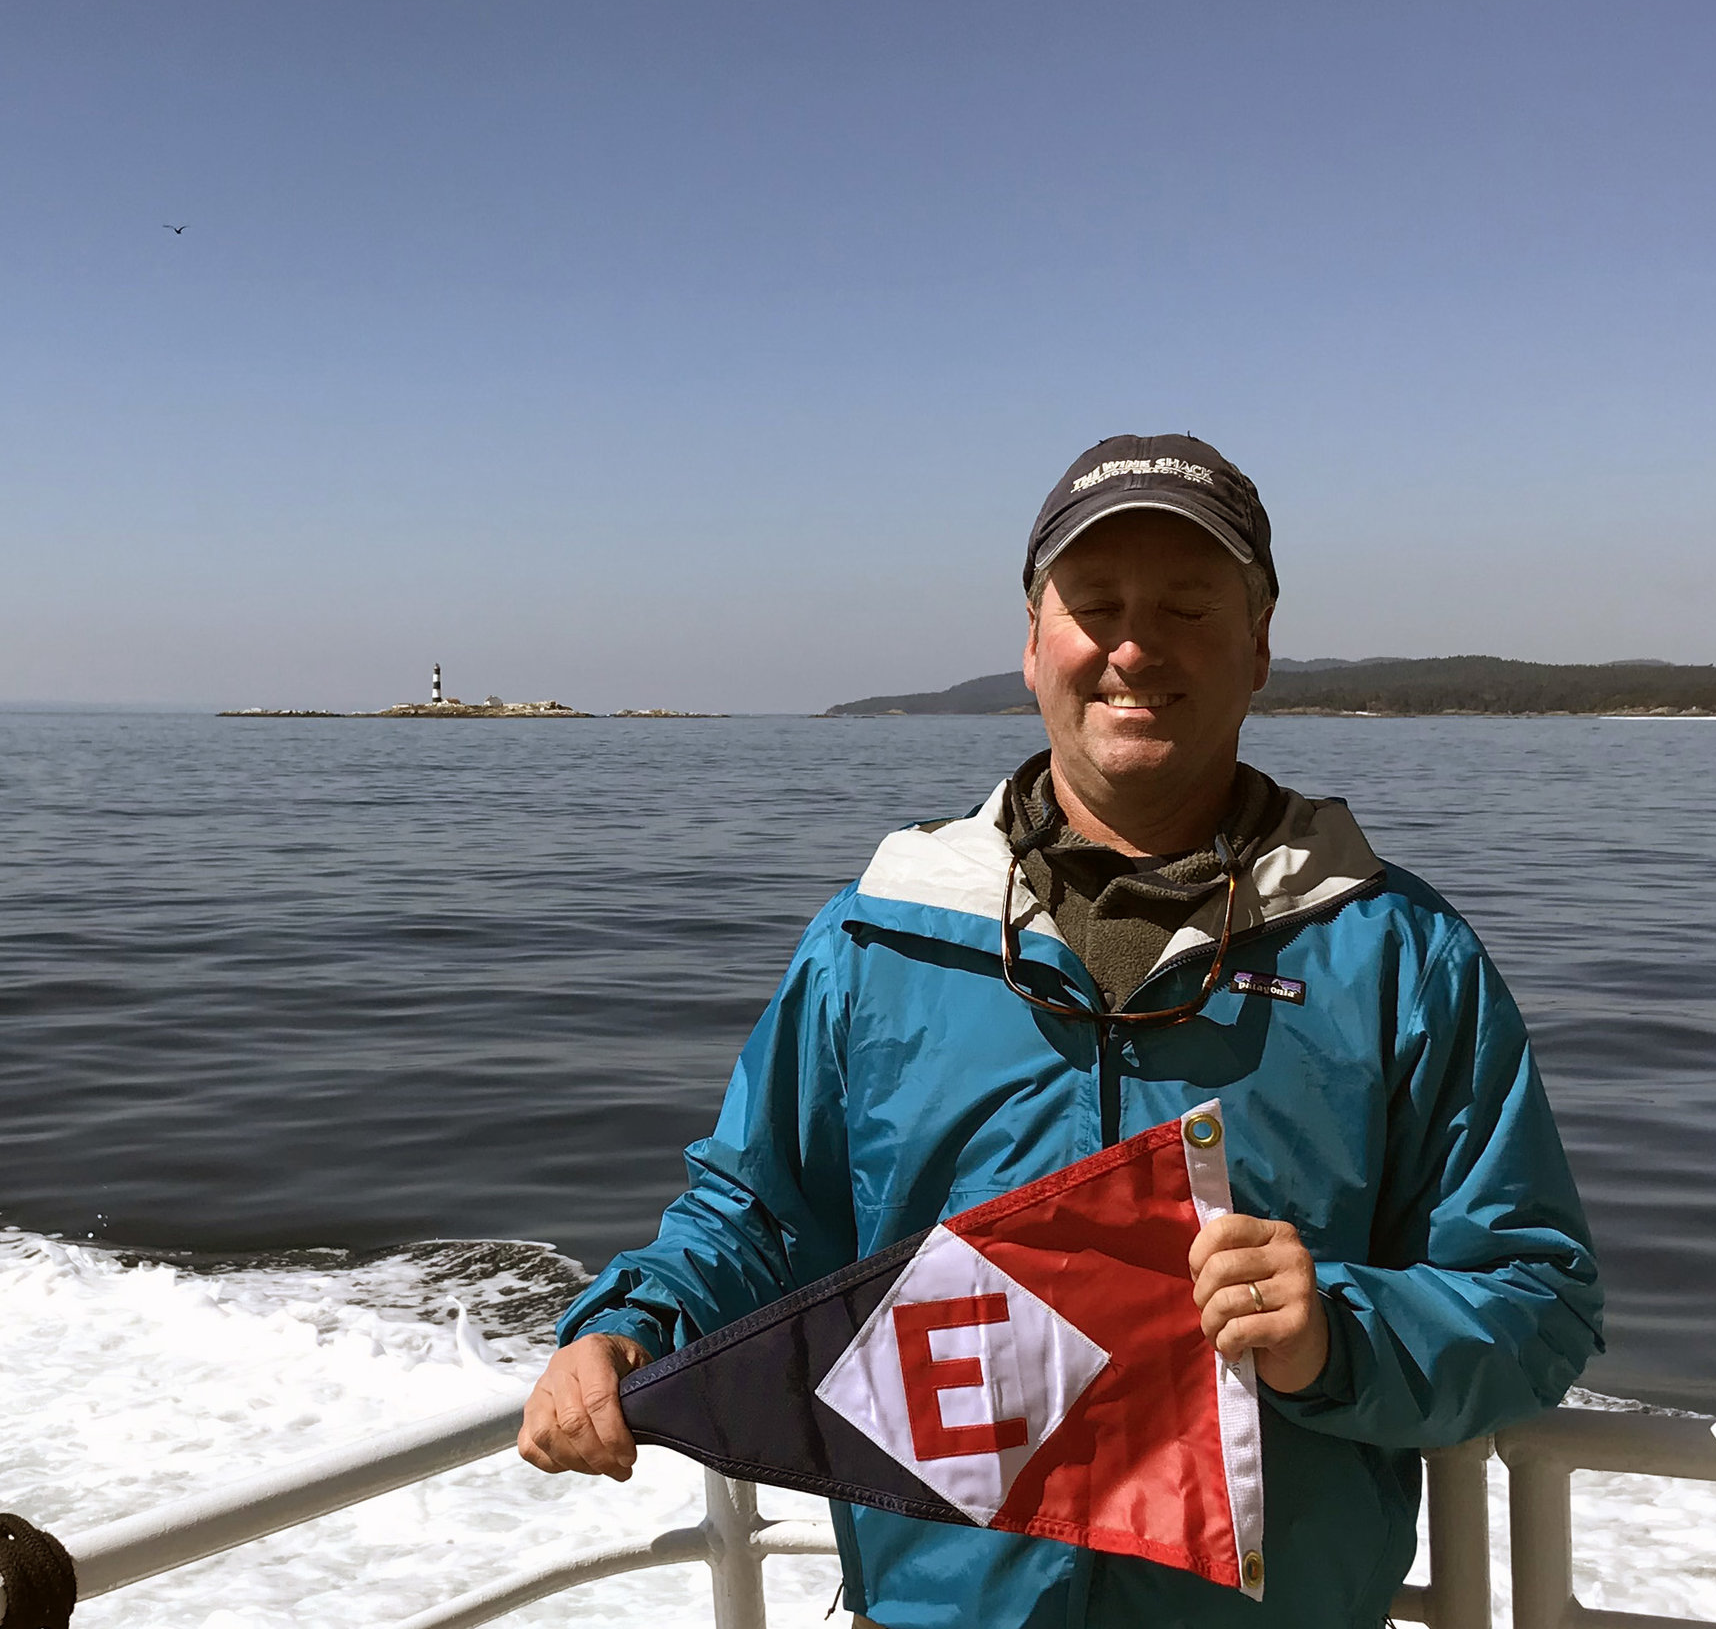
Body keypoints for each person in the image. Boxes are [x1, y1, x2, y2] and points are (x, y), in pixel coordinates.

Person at [517, 434, 1603, 1628]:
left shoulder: (1398, 954)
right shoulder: (878, 941)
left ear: (1257, 647)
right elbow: (757, 1217)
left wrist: (1332, 1332)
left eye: (1188, 607)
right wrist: (633, 1324)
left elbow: (1535, 1297)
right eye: (1094, 606)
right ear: (1032, 643)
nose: (1134, 647)